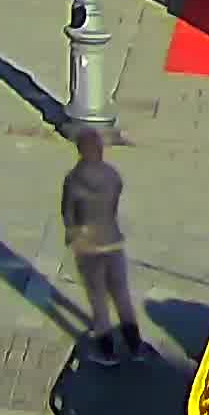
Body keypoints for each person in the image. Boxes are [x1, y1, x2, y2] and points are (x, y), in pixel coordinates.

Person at [63, 128, 148, 363]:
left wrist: (73, 235)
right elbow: (113, 204)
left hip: (88, 247)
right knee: (122, 297)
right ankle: (134, 345)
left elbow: (69, 215)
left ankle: (106, 350)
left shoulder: (73, 180)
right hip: (112, 241)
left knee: (98, 300)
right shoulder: (112, 176)